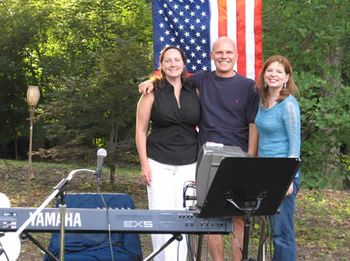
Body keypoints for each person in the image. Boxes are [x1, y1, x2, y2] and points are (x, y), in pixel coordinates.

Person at [139, 37, 260, 261]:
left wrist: (251, 157)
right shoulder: (201, 80)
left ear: (236, 55)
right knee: (209, 216)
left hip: (238, 158)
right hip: (206, 158)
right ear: (212, 56)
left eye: (228, 53)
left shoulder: (248, 87)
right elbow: (168, 79)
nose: (224, 57)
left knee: (239, 218)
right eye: (219, 53)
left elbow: (254, 124)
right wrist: (150, 82)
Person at [135, 46, 200, 261]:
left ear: (184, 63)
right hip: (158, 163)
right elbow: (141, 131)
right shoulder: (151, 92)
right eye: (168, 60)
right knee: (161, 218)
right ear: (161, 65)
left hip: (189, 163)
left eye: (177, 60)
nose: (173, 64)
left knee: (185, 218)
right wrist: (144, 164)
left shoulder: (195, 89)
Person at [255, 55, 301, 261]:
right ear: (264, 75)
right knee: (272, 230)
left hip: (283, 175)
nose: (273, 74)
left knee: (282, 233)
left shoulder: (288, 105)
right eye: (270, 70)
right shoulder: (263, 101)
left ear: (286, 77)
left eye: (279, 72)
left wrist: (289, 178)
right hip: (265, 173)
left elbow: (294, 145)